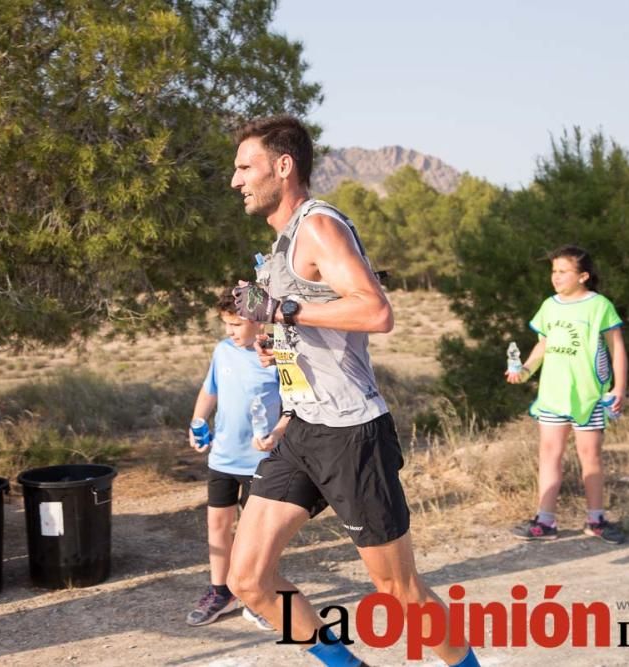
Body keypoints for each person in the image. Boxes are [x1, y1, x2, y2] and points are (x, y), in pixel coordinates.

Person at [227, 116, 480, 667]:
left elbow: (375, 310)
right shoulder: (280, 244)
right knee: (247, 579)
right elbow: (304, 327)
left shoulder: (319, 227)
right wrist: (277, 347)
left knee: (398, 591)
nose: (235, 179)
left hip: (349, 433)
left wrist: (283, 310)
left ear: (284, 166)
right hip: (302, 429)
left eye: (246, 166)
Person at [505, 244, 628, 544]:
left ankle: (596, 520)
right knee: (549, 454)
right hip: (553, 395)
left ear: (583, 276)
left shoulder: (599, 306)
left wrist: (619, 388)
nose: (556, 277)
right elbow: (543, 344)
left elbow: (618, 349)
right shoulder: (550, 306)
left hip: (589, 397)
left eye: (563, 271)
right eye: (553, 271)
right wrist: (525, 370)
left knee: (591, 456)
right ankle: (545, 522)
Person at [185, 289, 289, 631]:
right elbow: (209, 389)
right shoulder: (222, 351)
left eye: (235, 324)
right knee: (217, 525)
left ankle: (256, 596)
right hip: (223, 458)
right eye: (226, 324)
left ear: (257, 319)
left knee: (252, 536)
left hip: (259, 463)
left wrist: (275, 434)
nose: (230, 331)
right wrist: (198, 420)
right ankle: (221, 592)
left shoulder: (275, 355)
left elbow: (295, 407)